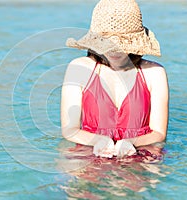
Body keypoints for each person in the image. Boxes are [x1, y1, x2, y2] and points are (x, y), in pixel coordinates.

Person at [61, 0, 169, 158]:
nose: (115, 51)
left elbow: (159, 133)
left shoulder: (154, 72)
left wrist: (131, 142)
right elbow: (70, 130)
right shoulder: (80, 68)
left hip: (141, 152)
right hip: (91, 150)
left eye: (122, 45)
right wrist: (99, 141)